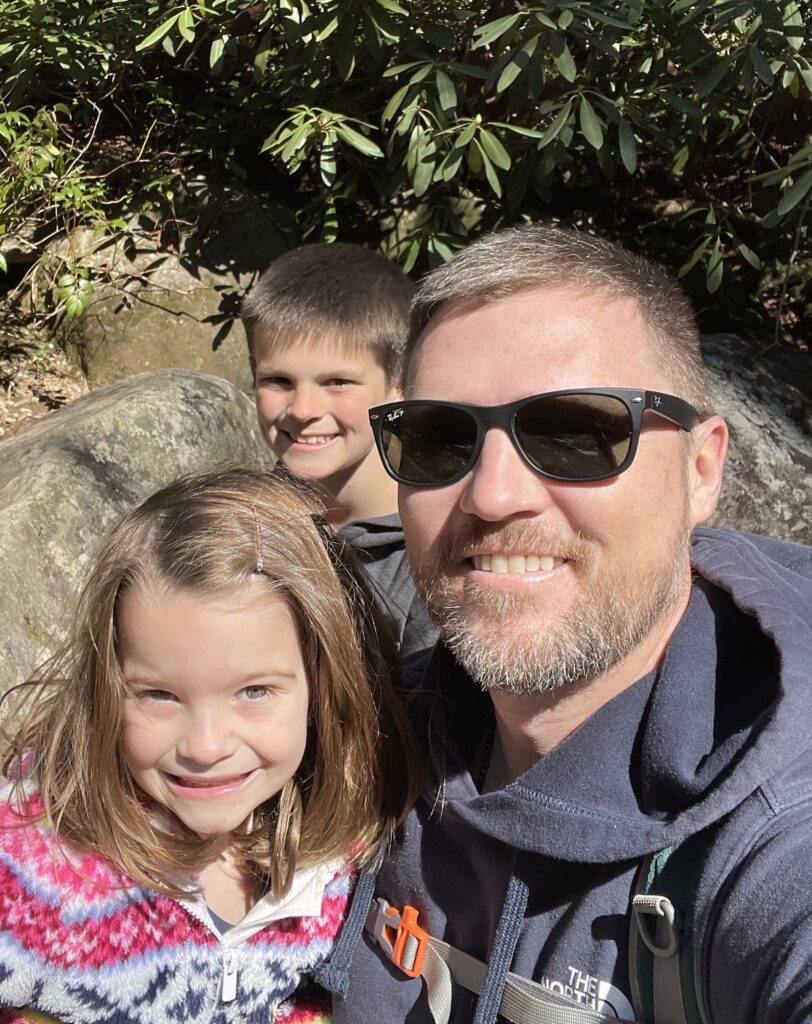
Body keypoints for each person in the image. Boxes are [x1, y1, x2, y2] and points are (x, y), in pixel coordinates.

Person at [327, 225, 812, 1023]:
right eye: (440, 438)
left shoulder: (774, 844)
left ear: (701, 469)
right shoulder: (369, 743)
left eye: (576, 433)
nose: (491, 496)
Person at [0, 469, 421, 1024]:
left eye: (253, 691)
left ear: (323, 681)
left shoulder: (346, 854)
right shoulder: (32, 863)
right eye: (158, 695)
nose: (204, 746)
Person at [241, 242, 436, 656]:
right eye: (278, 381)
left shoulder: (432, 552)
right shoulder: (238, 523)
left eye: (337, 382)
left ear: (400, 385)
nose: (303, 410)